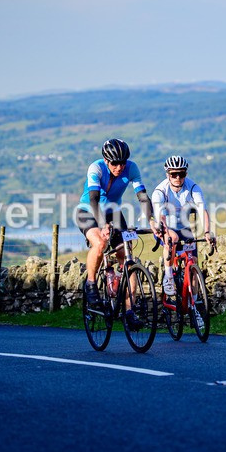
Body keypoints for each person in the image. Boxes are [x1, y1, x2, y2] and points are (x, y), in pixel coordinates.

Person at [75, 138, 157, 328]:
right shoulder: (95, 168)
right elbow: (94, 199)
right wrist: (103, 226)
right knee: (100, 243)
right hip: (88, 211)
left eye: (122, 163)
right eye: (114, 163)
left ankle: (129, 311)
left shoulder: (132, 168)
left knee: (127, 257)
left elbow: (143, 197)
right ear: (106, 160)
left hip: (113, 212)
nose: (119, 167)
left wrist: (151, 220)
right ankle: (91, 283)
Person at [151, 155, 214, 296]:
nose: (178, 177)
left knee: (193, 261)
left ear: (186, 173)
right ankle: (168, 277)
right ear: (168, 174)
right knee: (171, 239)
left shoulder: (193, 187)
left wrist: (208, 232)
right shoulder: (160, 191)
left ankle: (195, 303)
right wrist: (166, 233)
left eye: (182, 174)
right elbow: (160, 216)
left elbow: (202, 210)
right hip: (165, 226)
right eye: (174, 174)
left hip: (184, 229)